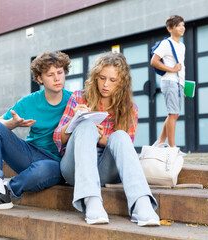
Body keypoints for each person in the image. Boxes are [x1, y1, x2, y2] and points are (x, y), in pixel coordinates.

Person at [53, 52, 160, 226]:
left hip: (107, 169)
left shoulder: (130, 108)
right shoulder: (79, 97)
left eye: (112, 80)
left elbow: (125, 148)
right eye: (102, 78)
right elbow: (58, 138)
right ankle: (92, 200)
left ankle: (142, 204)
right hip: (75, 169)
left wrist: (101, 138)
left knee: (120, 136)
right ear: (95, 77)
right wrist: (76, 120)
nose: (105, 84)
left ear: (122, 83)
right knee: (86, 125)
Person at [0, 51, 72, 212]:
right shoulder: (29, 101)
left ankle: (6, 190)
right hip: (29, 154)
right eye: (50, 74)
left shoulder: (74, 100)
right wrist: (12, 123)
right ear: (39, 78)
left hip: (56, 163)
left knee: (43, 169)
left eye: (60, 72)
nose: (57, 78)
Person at [150, 15, 186, 155]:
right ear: (170, 29)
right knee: (173, 114)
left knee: (174, 115)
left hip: (177, 83)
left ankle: (160, 142)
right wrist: (171, 69)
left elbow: (181, 67)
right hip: (169, 81)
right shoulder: (166, 44)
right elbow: (154, 61)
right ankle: (172, 148)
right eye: (178, 25)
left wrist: (183, 85)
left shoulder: (181, 45)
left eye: (183, 25)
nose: (182, 28)